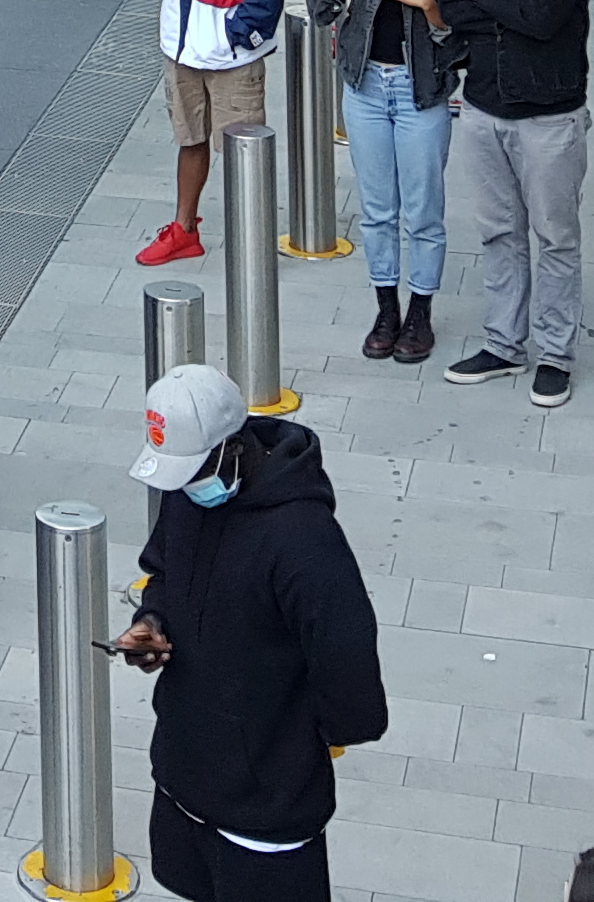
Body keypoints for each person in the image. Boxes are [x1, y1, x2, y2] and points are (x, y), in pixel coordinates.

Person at [113, 362, 389, 902]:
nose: (184, 486)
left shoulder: (303, 539)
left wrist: (318, 735)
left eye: (192, 471)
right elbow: (163, 571)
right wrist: (151, 623)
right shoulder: (187, 489)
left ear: (233, 447)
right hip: (183, 772)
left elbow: (347, 649)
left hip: (267, 805)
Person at [435, 0, 594, 406]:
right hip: (482, 104)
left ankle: (555, 353)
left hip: (549, 114)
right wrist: (495, 1)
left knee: (555, 236)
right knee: (498, 230)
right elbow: (449, 2)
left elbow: (545, 20)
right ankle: (504, 344)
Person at [310, 0, 454, 365]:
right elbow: (324, 13)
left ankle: (421, 311)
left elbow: (458, 40)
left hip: (420, 94)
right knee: (376, 210)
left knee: (424, 211)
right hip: (366, 87)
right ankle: (385, 307)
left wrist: (429, 4)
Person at [133, 0, 285, 270]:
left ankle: (252, 244)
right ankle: (184, 230)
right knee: (190, 138)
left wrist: (236, 33)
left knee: (243, 153)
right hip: (179, 49)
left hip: (231, 56)